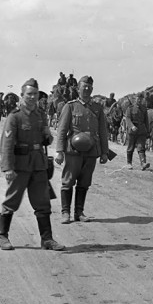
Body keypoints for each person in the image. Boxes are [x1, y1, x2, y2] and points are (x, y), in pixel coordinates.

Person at [0, 78, 64, 251]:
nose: (32, 97)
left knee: (43, 203)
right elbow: (6, 144)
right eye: (29, 94)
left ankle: (47, 239)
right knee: (11, 201)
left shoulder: (41, 115)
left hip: (38, 165)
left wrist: (47, 135)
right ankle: (3, 237)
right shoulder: (15, 116)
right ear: (22, 95)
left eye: (35, 94)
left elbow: (46, 140)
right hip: (19, 166)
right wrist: (8, 168)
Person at [55, 75, 110, 224]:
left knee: (85, 182)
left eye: (89, 87)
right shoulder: (70, 106)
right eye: (84, 86)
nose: (86, 89)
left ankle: (79, 212)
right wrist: (59, 151)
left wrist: (105, 152)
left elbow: (103, 131)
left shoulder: (97, 108)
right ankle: (65, 212)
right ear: (78, 88)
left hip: (91, 151)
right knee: (68, 181)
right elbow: (62, 130)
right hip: (73, 150)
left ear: (92, 89)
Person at [125, 92, 151, 170]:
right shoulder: (130, 108)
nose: (139, 100)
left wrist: (148, 131)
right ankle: (129, 163)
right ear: (135, 99)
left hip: (141, 131)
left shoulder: (144, 109)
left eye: (141, 99)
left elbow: (146, 121)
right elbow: (128, 118)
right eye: (138, 98)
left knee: (141, 147)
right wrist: (132, 126)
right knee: (130, 147)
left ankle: (143, 163)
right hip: (132, 131)